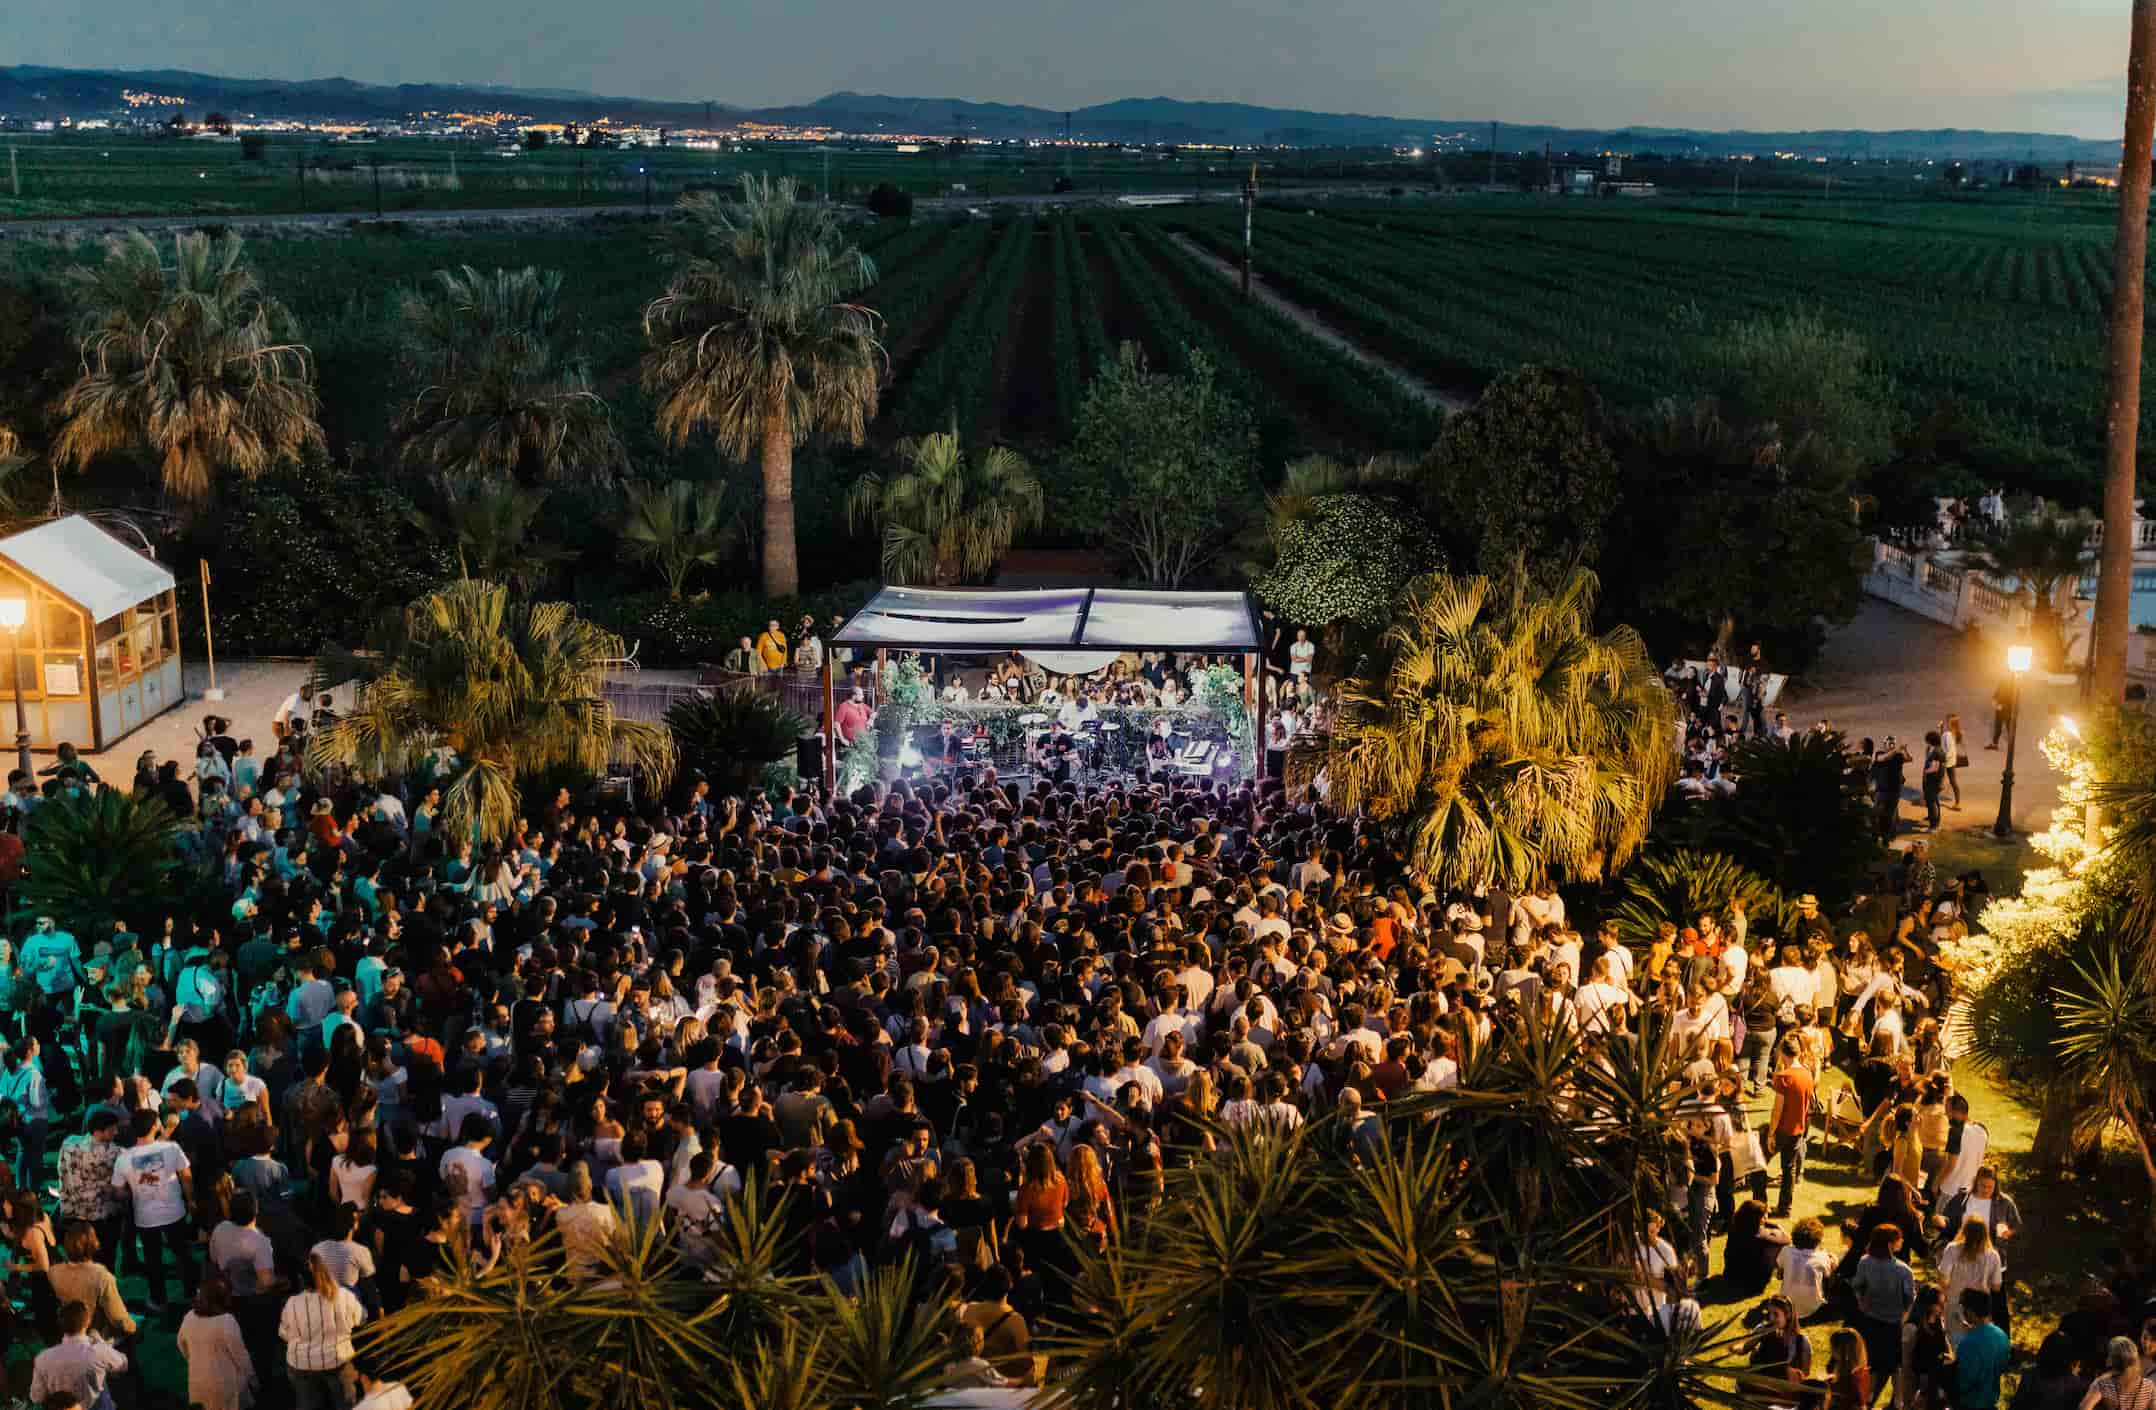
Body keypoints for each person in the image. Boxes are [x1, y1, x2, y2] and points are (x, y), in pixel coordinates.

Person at [110, 1107, 197, 1312]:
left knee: (153, 1260)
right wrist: (191, 1200)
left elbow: (118, 1192)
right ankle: (192, 1293)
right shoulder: (172, 1148)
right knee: (182, 1253)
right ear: (154, 1126)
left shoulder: (124, 1158)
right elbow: (186, 1176)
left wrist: (134, 1191)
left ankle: (159, 1300)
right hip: (174, 1211)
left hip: (145, 1217)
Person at [279, 1251, 367, 1410]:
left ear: (301, 1278)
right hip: (338, 1362)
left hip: (301, 1365)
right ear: (327, 1272)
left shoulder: (292, 1303)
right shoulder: (344, 1296)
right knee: (345, 1406)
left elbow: (284, 1333)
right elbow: (362, 1318)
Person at [29, 1300, 129, 1410]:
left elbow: (36, 1397)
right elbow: (123, 1365)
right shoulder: (99, 1351)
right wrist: (102, 1343)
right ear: (88, 1322)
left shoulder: (43, 1358)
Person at [177, 1276, 257, 1410]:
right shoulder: (226, 1321)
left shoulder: (189, 1317)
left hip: (199, 1380)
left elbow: (180, 1344)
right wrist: (253, 1378)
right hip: (226, 1385)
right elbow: (240, 1356)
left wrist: (194, 1360)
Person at [1953, 1289, 2010, 1410]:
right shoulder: (2002, 1336)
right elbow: (2003, 1366)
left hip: (1969, 1404)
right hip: (1991, 1403)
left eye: (1964, 1309)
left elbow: (1962, 1381)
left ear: (1970, 1312)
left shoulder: (1967, 1344)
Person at [1825, 1327, 1871, 1410]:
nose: (1830, 1351)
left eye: (1832, 1348)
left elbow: (1858, 1404)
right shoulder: (1862, 1372)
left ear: (1840, 1350)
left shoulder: (1849, 1379)